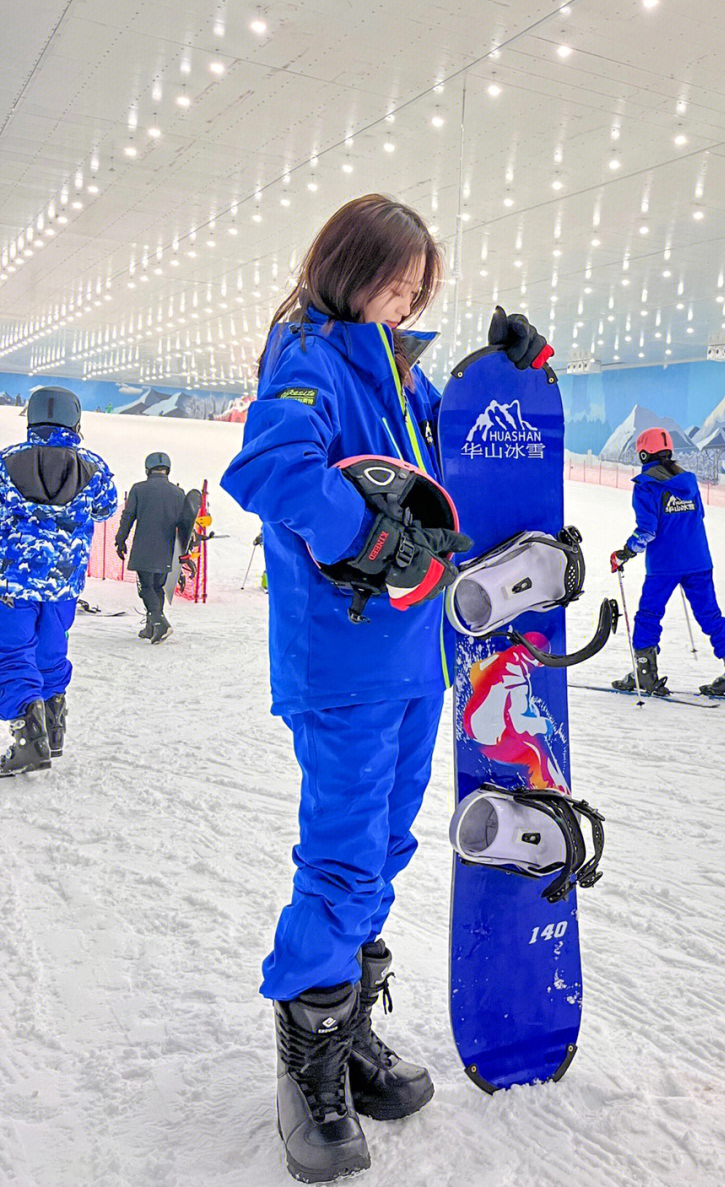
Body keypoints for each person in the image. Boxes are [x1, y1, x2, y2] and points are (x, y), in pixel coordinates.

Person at [221, 194, 550, 1184]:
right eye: (394, 282)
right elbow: (273, 468)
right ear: (346, 265)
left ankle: (348, 1024)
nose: (405, 302)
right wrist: (362, 534)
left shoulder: (396, 375)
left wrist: (508, 377)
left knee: (387, 844)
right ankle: (308, 1060)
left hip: (413, 655)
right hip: (344, 659)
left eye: (418, 289)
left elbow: (448, 471)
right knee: (342, 857)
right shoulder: (310, 354)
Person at [0, 387, 117, 774]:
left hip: (12, 583)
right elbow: (107, 507)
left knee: (13, 652)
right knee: (52, 650)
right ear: (75, 421)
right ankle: (53, 730)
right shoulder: (94, 468)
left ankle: (29, 740)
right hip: (64, 584)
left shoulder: (5, 463)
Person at [610, 427, 725, 700]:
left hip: (664, 566)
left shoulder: (646, 485)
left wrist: (625, 553)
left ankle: (645, 674)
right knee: (710, 615)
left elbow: (647, 531)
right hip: (698, 561)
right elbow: (698, 517)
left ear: (645, 453)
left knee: (648, 616)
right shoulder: (689, 482)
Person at [114, 452, 190, 643]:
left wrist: (120, 539)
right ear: (168, 470)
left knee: (146, 586)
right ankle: (151, 628)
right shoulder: (178, 493)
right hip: (167, 548)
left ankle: (159, 623)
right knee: (158, 586)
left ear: (148, 469)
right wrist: (184, 553)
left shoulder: (139, 489)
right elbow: (184, 525)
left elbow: (128, 516)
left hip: (144, 547)